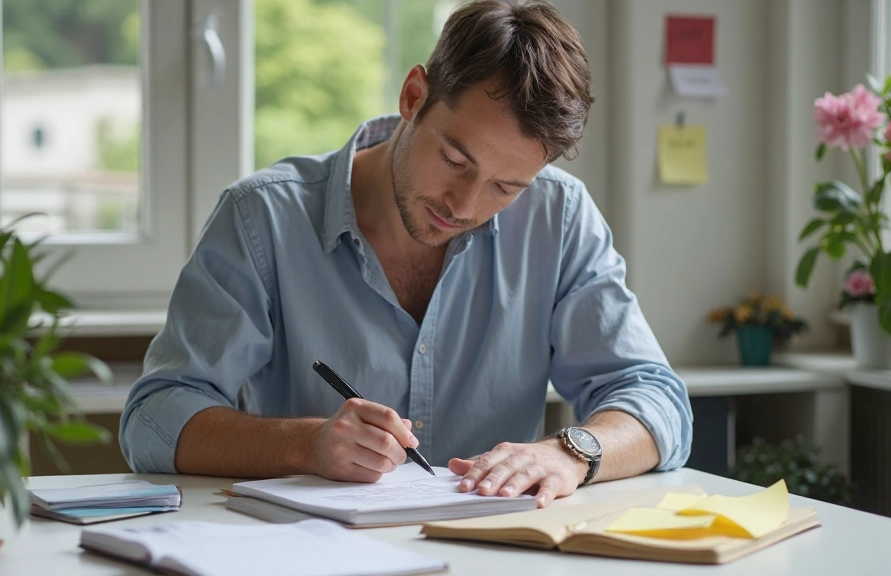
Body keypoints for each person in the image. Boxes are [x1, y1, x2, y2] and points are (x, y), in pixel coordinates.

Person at [120, 0, 692, 508]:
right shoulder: (261, 218)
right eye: (455, 160)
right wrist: (307, 445)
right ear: (414, 96)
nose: (464, 205)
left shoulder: (559, 217)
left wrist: (571, 452)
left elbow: (657, 399)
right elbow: (154, 417)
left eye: (505, 187)